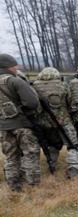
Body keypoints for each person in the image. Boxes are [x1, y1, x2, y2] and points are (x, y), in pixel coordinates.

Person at [0, 53, 42, 191]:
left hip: (3, 127)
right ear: (7, 67)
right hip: (22, 124)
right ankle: (33, 186)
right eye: (15, 66)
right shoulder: (15, 81)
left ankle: (14, 187)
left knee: (11, 157)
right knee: (30, 154)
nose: (17, 68)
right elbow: (32, 103)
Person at [31, 66, 78, 177]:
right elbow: (70, 102)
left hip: (44, 123)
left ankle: (52, 166)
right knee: (72, 144)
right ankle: (73, 168)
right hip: (63, 121)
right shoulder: (63, 85)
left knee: (54, 145)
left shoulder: (34, 86)